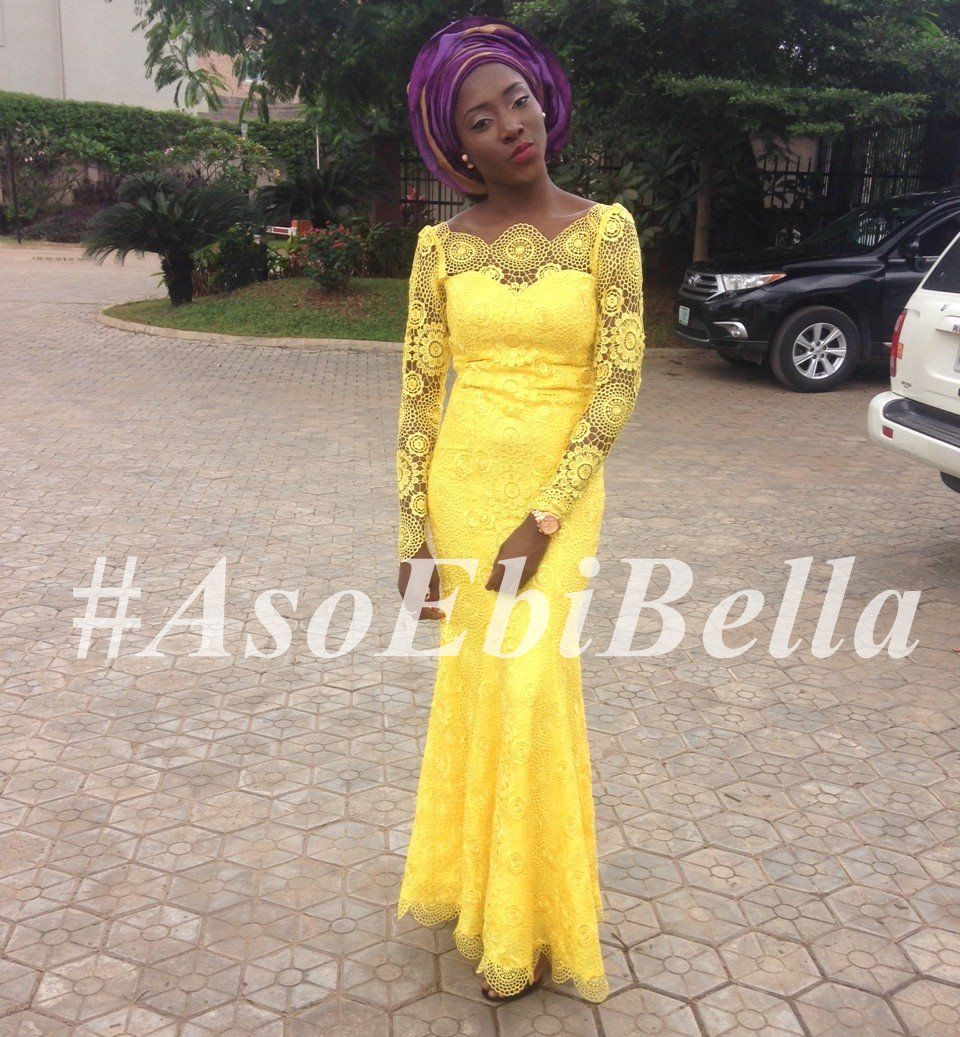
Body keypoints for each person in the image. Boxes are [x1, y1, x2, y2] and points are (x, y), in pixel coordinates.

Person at [394, 14, 645, 1004]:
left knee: (533, 684)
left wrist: (542, 518)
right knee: (479, 685)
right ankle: (483, 894)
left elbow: (617, 383)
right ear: (457, 146)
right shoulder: (439, 249)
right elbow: (420, 391)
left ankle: (530, 921)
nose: (510, 126)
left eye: (519, 101)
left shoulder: (606, 231)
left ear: (546, 103)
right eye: (482, 119)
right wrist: (410, 533)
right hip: (463, 493)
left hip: (559, 497)